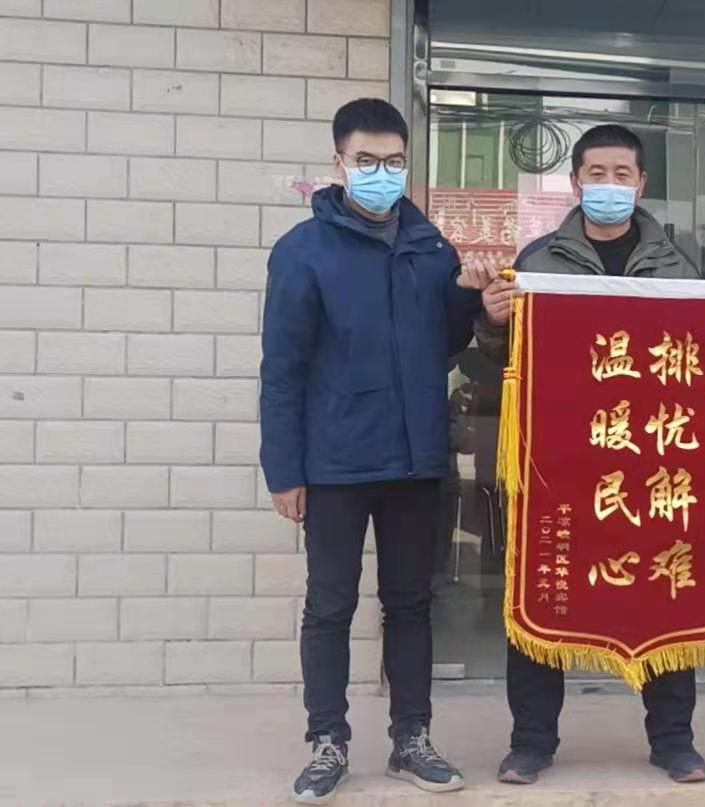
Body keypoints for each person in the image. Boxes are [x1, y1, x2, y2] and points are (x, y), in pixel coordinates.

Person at [260, 97, 497, 804]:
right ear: (339, 162)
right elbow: (282, 369)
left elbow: (444, 342)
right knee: (329, 606)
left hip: (416, 461)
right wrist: (284, 470)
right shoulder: (304, 251)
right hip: (335, 463)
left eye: (394, 162)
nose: (381, 173)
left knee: (412, 604)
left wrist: (473, 302)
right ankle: (327, 740)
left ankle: (411, 738)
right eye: (367, 160)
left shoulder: (431, 248)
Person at [476, 124, 705, 786]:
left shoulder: (677, 264)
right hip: (561, 462)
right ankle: (531, 741)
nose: (610, 184)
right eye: (597, 173)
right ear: (576, 182)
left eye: (622, 174)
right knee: (543, 591)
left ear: (642, 183)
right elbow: (498, 360)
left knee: (663, 591)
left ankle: (673, 739)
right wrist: (491, 320)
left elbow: (703, 355)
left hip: (650, 459)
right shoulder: (539, 260)